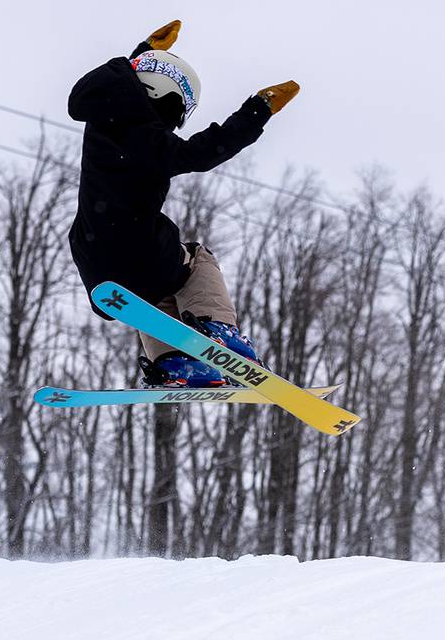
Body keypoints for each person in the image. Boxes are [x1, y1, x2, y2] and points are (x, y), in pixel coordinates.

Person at [67, 20, 298, 386]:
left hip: (93, 260)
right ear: (168, 98)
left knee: (154, 291)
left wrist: (143, 54)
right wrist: (258, 111)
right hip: (137, 246)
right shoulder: (151, 141)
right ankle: (219, 332)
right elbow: (203, 152)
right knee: (195, 259)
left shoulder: (101, 122)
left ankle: (173, 362)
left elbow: (125, 91)